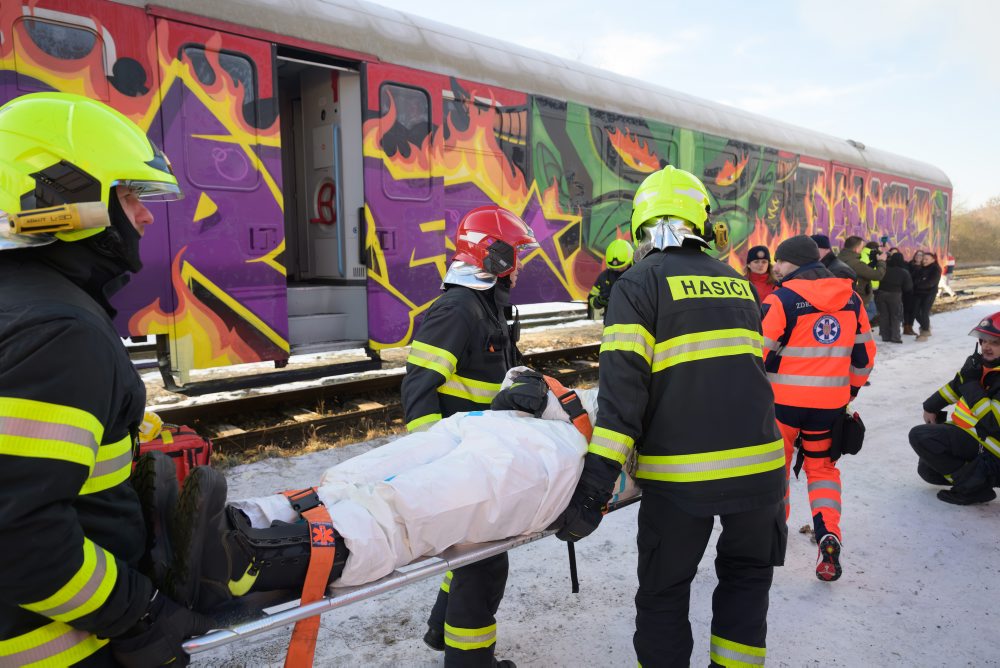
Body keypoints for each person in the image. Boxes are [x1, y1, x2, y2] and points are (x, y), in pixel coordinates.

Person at [0, 93, 211, 666]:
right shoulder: (59, 329)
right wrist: (138, 615)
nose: (144, 214)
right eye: (128, 193)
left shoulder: (20, 305)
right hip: (57, 647)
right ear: (61, 195)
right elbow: (17, 533)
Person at [557, 165, 787, 667]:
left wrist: (593, 491)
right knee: (747, 585)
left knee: (664, 592)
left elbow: (622, 404)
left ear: (642, 226)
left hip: (683, 479)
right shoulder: (736, 282)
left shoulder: (637, 284)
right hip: (763, 474)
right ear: (701, 223)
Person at [155, 370, 616, 611]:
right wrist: (532, 386)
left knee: (411, 508)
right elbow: (605, 397)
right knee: (355, 476)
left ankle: (244, 561)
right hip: (519, 424)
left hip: (565, 460)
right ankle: (244, 520)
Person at [400, 205, 537, 666]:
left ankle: (442, 628)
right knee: (484, 566)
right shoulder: (458, 309)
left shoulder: (487, 307)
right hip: (462, 460)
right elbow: (418, 385)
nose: (519, 267)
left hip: (481, 455)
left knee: (469, 554)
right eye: (515, 256)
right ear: (493, 257)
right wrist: (436, 458)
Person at [762, 235, 876, 582]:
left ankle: (772, 542)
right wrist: (848, 392)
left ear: (793, 262)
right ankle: (828, 535)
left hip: (781, 408)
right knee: (822, 471)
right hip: (829, 408)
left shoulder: (780, 299)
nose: (775, 268)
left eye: (779, 261)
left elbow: (757, 354)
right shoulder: (852, 300)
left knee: (775, 471)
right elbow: (864, 359)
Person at [908, 312, 1000, 505]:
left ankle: (973, 486)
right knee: (928, 471)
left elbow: (992, 423)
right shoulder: (981, 366)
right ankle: (975, 479)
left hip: (993, 453)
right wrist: (931, 406)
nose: (986, 347)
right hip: (972, 437)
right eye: (983, 341)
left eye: (995, 342)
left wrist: (971, 384)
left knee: (920, 436)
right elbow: (955, 386)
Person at [839, 235, 886, 322]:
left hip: (845, 298)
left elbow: (863, 270)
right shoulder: (855, 263)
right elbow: (878, 275)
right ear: (856, 249)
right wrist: (881, 261)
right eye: (861, 248)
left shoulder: (840, 258)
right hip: (857, 297)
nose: (861, 250)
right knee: (867, 314)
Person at [588, 238, 634, 320]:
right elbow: (591, 300)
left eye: (621, 267)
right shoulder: (604, 277)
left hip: (633, 323)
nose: (617, 270)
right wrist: (599, 300)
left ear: (630, 260)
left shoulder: (637, 275)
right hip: (610, 325)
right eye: (614, 268)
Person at [875, 252, 913, 343]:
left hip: (881, 294)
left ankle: (885, 336)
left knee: (884, 315)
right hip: (895, 295)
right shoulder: (904, 272)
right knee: (895, 316)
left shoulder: (884, 269)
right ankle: (895, 337)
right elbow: (908, 287)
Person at [912, 252, 942, 341]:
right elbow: (914, 279)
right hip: (918, 293)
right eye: (923, 259)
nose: (924, 261)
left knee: (924, 312)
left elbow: (932, 282)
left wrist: (919, 284)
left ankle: (925, 331)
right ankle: (926, 326)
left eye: (926, 259)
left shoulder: (935, 268)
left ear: (933, 260)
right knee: (916, 312)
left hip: (929, 293)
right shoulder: (920, 268)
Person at [903, 250, 925, 335]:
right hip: (908, 291)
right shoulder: (909, 265)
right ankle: (906, 327)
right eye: (917, 255)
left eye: (920, 255)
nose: (918, 257)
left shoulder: (924, 267)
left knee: (914, 310)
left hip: (918, 292)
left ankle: (910, 327)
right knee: (907, 309)